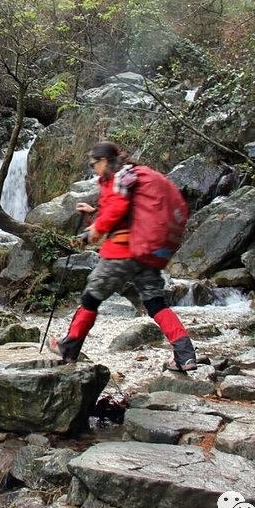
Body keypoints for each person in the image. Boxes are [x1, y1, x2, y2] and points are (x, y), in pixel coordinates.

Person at [49, 141, 198, 372]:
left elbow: (117, 210)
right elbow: (127, 211)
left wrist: (91, 233)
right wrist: (95, 214)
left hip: (122, 253)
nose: (93, 169)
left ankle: (69, 347)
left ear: (104, 161)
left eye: (93, 164)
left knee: (91, 297)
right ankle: (185, 355)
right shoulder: (131, 177)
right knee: (156, 302)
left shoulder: (117, 178)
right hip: (145, 252)